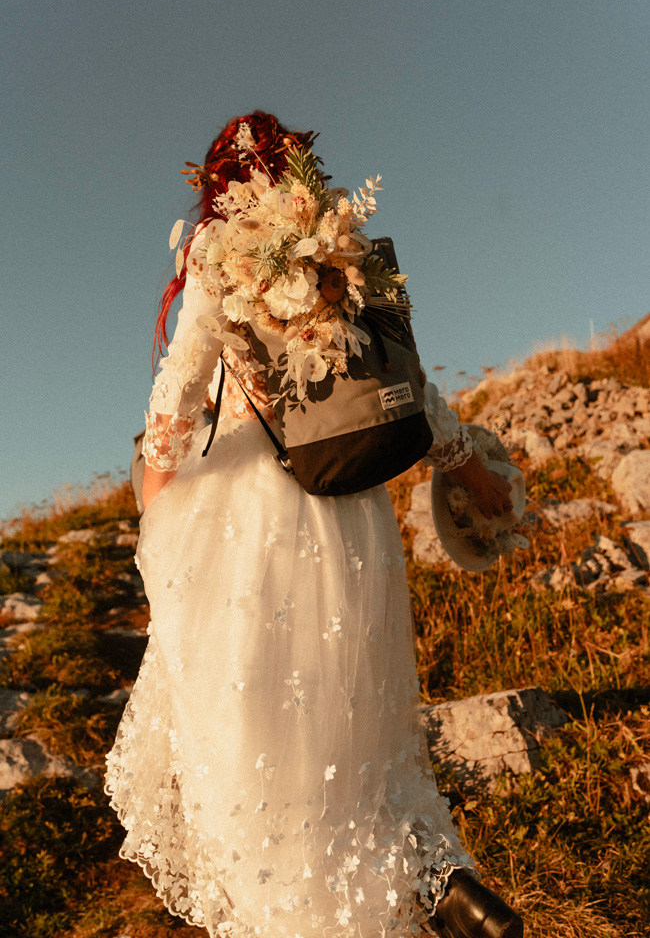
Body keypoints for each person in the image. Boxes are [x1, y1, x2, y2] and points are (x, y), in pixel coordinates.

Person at [105, 112, 523, 938]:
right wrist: (473, 470)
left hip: (246, 531)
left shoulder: (221, 251)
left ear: (217, 183)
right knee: (358, 759)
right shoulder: (342, 252)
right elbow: (407, 392)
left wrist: (156, 508)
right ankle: (453, 887)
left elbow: (179, 391)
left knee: (256, 779)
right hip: (348, 518)